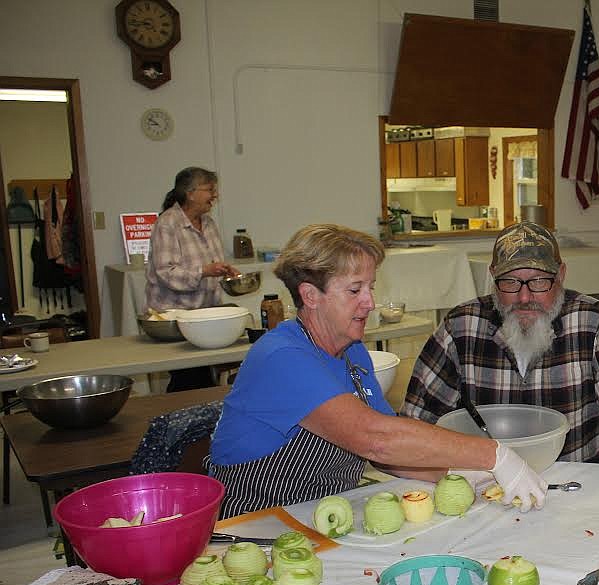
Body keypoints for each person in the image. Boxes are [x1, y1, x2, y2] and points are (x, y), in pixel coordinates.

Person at [208, 224, 547, 519]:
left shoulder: (353, 354)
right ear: (310, 295)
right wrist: (493, 455)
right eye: (355, 290)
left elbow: (392, 458)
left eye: (370, 287)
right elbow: (377, 440)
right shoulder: (280, 357)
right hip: (258, 527)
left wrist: (458, 474)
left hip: (324, 516)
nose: (370, 302)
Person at [401, 221, 599, 471]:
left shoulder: (594, 324)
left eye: (538, 281)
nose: (524, 297)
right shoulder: (461, 326)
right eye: (510, 282)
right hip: (485, 484)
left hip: (576, 484)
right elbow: (416, 423)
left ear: (560, 275)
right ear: (493, 276)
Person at [145, 167, 240, 391]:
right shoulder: (167, 224)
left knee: (201, 378)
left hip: (204, 317)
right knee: (190, 379)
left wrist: (226, 272)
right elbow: (166, 272)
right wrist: (204, 271)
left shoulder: (209, 224)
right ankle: (183, 420)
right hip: (177, 319)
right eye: (209, 190)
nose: (214, 196)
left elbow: (211, 266)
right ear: (190, 193)